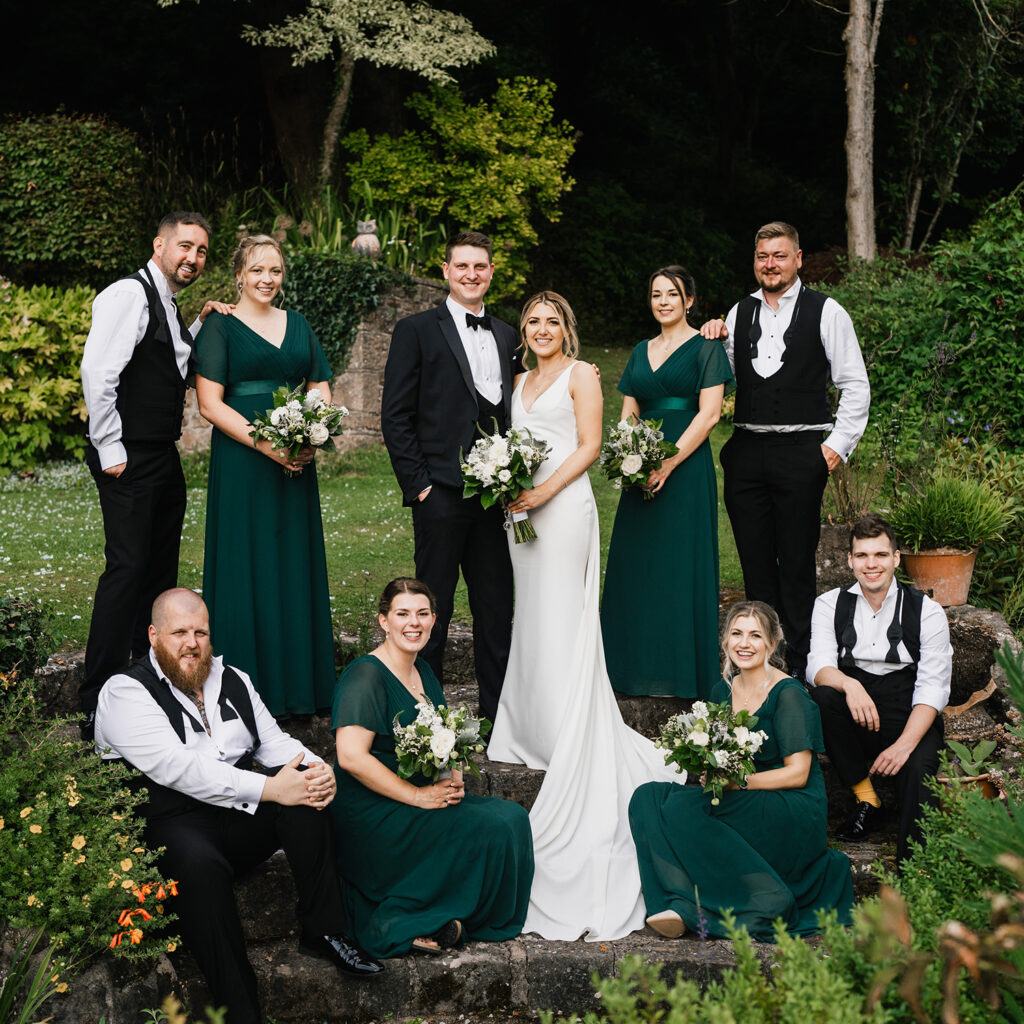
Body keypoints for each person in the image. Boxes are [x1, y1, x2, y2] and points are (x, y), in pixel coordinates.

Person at [487, 291, 681, 941]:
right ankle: (532, 726)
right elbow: (510, 440)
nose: (542, 329)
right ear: (525, 332)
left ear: (567, 329)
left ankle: (571, 731)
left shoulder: (582, 377)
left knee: (565, 617)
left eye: (552, 321)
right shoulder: (516, 380)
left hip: (564, 509)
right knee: (531, 619)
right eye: (533, 321)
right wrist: (507, 486)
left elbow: (591, 448)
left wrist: (539, 492)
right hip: (518, 511)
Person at [94, 588, 382, 1024]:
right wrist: (270, 789)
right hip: (168, 823)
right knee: (201, 868)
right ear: (154, 636)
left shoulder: (232, 680)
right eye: (179, 633)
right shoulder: (125, 692)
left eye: (200, 633)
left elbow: (275, 743)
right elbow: (178, 768)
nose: (192, 644)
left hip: (232, 815)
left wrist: (317, 769)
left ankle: (323, 929)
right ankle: (241, 1011)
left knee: (304, 794)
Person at [80, 211, 231, 737]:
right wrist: (109, 447)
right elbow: (99, 372)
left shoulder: (166, 301)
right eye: (184, 247)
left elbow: (168, 362)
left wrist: (199, 324)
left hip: (161, 457)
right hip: (130, 456)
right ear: (159, 244)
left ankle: (146, 683)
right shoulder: (127, 294)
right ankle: (95, 699)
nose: (193, 258)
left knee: (159, 574)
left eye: (202, 251)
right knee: (127, 571)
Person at [700, 222, 870, 682]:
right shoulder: (738, 313)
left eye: (779, 255)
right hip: (747, 451)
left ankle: (799, 668)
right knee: (755, 566)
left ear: (798, 259)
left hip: (802, 451)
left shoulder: (827, 311)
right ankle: (759, 667)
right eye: (762, 256)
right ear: (755, 261)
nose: (769, 264)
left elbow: (855, 385)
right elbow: (722, 373)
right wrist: (711, 336)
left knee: (796, 565)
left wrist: (834, 448)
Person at [331, 578, 534, 957]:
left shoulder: (423, 671)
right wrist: (418, 796)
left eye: (423, 613)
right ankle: (399, 919)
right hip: (373, 809)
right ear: (383, 621)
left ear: (434, 620)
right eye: (402, 613)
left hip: (418, 795)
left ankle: (460, 915)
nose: (414, 623)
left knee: (511, 818)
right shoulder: (365, 676)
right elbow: (351, 757)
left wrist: (453, 780)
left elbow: (449, 739)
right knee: (486, 825)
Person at [629, 601, 854, 941]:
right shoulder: (723, 690)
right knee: (646, 797)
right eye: (736, 634)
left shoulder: (788, 695)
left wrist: (739, 781)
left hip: (789, 801)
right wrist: (709, 770)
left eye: (755, 635)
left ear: (772, 644)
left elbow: (798, 773)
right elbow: (719, 752)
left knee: (683, 808)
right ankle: (675, 905)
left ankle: (764, 901)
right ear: (725, 640)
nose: (744, 643)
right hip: (742, 791)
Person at [380, 231, 522, 723]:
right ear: (446, 271)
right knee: (429, 612)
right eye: (461, 266)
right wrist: (418, 484)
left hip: (493, 501)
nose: (471, 274)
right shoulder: (416, 329)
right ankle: (428, 716)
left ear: (490, 272)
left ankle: (498, 716)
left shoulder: (508, 335)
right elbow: (394, 415)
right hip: (437, 492)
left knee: (495, 609)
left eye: (480, 267)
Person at [195, 234, 335, 717]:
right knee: (245, 564)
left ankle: (301, 689)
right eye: (257, 270)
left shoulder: (298, 324)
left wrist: (311, 432)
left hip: (296, 461)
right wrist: (269, 445)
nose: (266, 279)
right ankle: (243, 693)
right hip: (243, 462)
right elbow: (210, 404)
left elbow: (319, 383)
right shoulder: (220, 326)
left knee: (293, 562)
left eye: (274, 270)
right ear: (239, 274)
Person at [601, 266, 733, 698]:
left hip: (685, 469)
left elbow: (710, 414)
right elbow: (629, 412)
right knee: (636, 565)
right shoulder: (640, 350)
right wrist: (629, 460)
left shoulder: (706, 348)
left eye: (671, 294)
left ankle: (680, 674)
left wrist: (668, 463)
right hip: (641, 471)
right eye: (656, 294)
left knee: (680, 566)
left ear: (689, 301)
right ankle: (627, 668)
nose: (662, 302)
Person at [807, 513, 951, 864]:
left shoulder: (928, 612)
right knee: (823, 695)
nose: (871, 565)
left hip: (908, 711)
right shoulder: (829, 604)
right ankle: (867, 798)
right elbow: (817, 667)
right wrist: (849, 684)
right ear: (850, 560)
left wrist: (903, 747)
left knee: (917, 773)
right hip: (856, 712)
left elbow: (933, 688)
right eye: (862, 555)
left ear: (896, 558)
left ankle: (913, 878)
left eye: (880, 555)